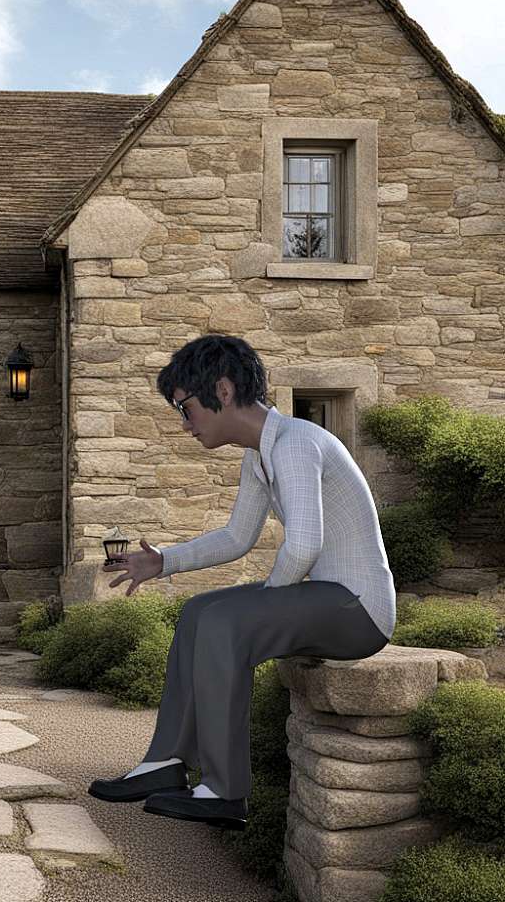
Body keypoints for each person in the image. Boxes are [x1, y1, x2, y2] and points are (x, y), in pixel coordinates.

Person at [89, 334, 394, 830]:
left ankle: (224, 791)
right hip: (325, 598)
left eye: (185, 408)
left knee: (226, 622)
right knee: (196, 614)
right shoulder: (259, 455)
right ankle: (165, 763)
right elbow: (237, 537)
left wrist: (261, 608)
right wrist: (164, 561)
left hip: (359, 609)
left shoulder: (298, 443)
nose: (185, 425)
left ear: (223, 390)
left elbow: (305, 544)